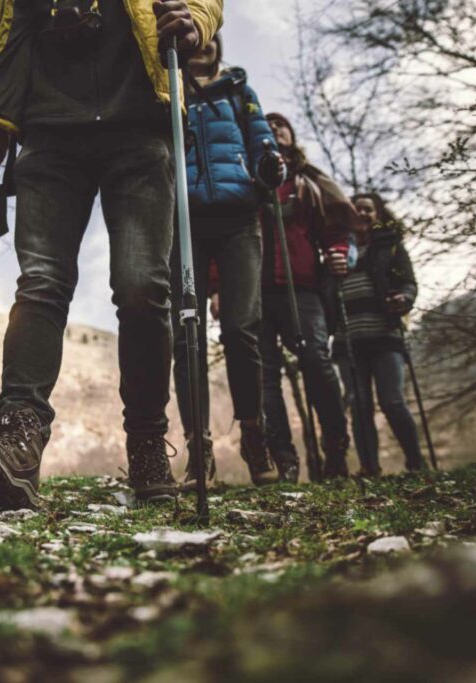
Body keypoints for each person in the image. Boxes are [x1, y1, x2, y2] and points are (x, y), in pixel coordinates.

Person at [0, 0, 224, 510]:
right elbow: (5, 30)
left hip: (140, 123)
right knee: (41, 282)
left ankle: (146, 447)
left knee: (143, 289)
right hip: (47, 129)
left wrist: (198, 20)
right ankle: (18, 438)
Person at [170, 36, 282, 492]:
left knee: (241, 329)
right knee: (187, 333)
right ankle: (199, 448)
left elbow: (261, 141)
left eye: (205, 37)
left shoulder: (239, 90)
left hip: (239, 218)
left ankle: (254, 435)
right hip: (185, 222)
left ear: (214, 41)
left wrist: (270, 165)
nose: (198, 45)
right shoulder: (167, 89)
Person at [258, 113, 361, 482]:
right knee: (262, 376)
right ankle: (282, 458)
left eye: (280, 124)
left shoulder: (310, 182)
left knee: (316, 360)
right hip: (253, 289)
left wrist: (338, 252)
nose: (273, 129)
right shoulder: (245, 179)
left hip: (302, 287)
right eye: (266, 125)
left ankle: (336, 448)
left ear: (291, 134)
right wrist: (220, 287)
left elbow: (336, 229)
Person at [332, 192, 425, 475]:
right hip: (348, 341)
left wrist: (404, 300)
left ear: (378, 215)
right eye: (356, 209)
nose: (362, 214)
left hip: (386, 336)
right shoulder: (334, 249)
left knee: (392, 401)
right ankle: (369, 467)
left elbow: (409, 283)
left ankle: (416, 463)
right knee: (358, 405)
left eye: (368, 210)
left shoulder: (390, 246)